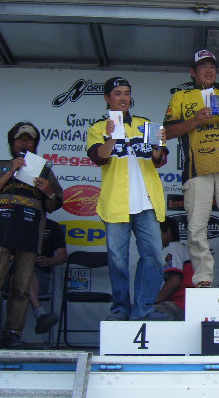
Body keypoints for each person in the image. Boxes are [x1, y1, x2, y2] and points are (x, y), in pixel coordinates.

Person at [164, 50, 219, 288]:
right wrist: (195, 121)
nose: (209, 70)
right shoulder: (181, 95)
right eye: (203, 66)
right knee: (196, 226)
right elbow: (168, 131)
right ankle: (203, 278)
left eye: (212, 66)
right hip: (196, 169)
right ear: (193, 72)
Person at [87, 77, 170, 321]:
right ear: (107, 98)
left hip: (147, 203)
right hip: (116, 203)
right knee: (118, 261)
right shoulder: (97, 128)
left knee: (153, 257)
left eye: (126, 93)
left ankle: (144, 308)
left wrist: (158, 144)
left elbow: (159, 159)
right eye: (117, 93)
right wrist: (111, 136)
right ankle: (120, 308)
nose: (123, 98)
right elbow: (99, 157)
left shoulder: (145, 124)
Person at [0, 122, 63, 347]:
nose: (24, 143)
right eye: (19, 139)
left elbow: (52, 206)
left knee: (21, 286)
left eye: (29, 139)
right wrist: (10, 171)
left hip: (30, 232)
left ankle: (13, 332)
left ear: (35, 144)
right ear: (12, 143)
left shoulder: (45, 171)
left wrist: (48, 192)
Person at [28, 218, 67, 335]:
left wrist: (48, 261)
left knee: (26, 276)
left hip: (40, 274)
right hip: (12, 273)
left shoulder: (52, 226)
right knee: (24, 272)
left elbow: (63, 256)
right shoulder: (15, 223)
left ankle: (11, 333)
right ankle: (40, 314)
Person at [153, 217, 193, 320]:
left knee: (143, 314)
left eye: (155, 232)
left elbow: (174, 281)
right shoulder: (182, 247)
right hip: (189, 305)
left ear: (168, 233)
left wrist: (154, 301)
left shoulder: (172, 247)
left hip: (179, 305)